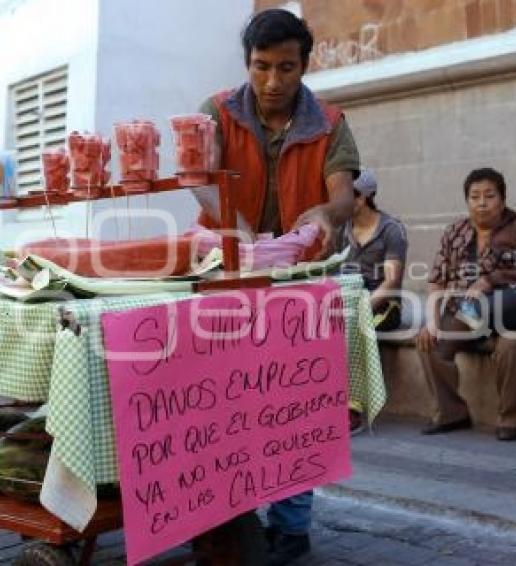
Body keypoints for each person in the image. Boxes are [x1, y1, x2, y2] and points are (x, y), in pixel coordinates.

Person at [198, 9, 360, 565]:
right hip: (225, 279)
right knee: (225, 400)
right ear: (247, 63)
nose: (272, 81)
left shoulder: (330, 122)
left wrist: (324, 213)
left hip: (300, 279)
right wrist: (231, 225)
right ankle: (222, 515)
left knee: (297, 404)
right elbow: (201, 177)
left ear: (303, 66)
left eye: (286, 68)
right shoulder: (215, 113)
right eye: (261, 66)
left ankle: (291, 527)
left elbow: (342, 194)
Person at [416, 167, 516, 441]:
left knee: (511, 347)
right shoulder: (455, 232)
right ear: (466, 200)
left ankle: (511, 418)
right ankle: (451, 412)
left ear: (502, 199)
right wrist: (431, 322)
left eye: (489, 196)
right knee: (430, 341)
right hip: (467, 313)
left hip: (514, 312)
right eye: (475, 196)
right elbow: (436, 279)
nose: (481, 202)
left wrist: (491, 280)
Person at [337, 168, 407, 434]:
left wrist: (361, 308)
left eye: (344, 196)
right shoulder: (341, 228)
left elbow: (391, 283)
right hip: (346, 299)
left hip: (383, 305)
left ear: (361, 198)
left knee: (354, 326)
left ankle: (352, 407)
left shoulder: (391, 229)